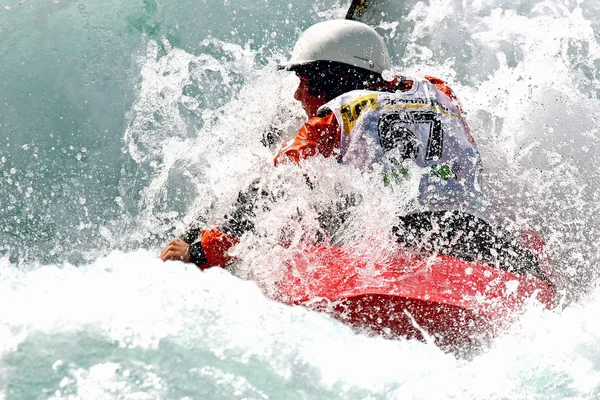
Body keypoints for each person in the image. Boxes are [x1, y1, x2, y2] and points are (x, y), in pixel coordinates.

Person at [161, 19, 544, 278]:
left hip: (401, 238)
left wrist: (203, 250)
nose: (297, 94)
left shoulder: (332, 119)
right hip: (474, 234)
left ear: (334, 80)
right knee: (533, 276)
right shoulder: (437, 90)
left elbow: (271, 189)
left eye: (305, 81)